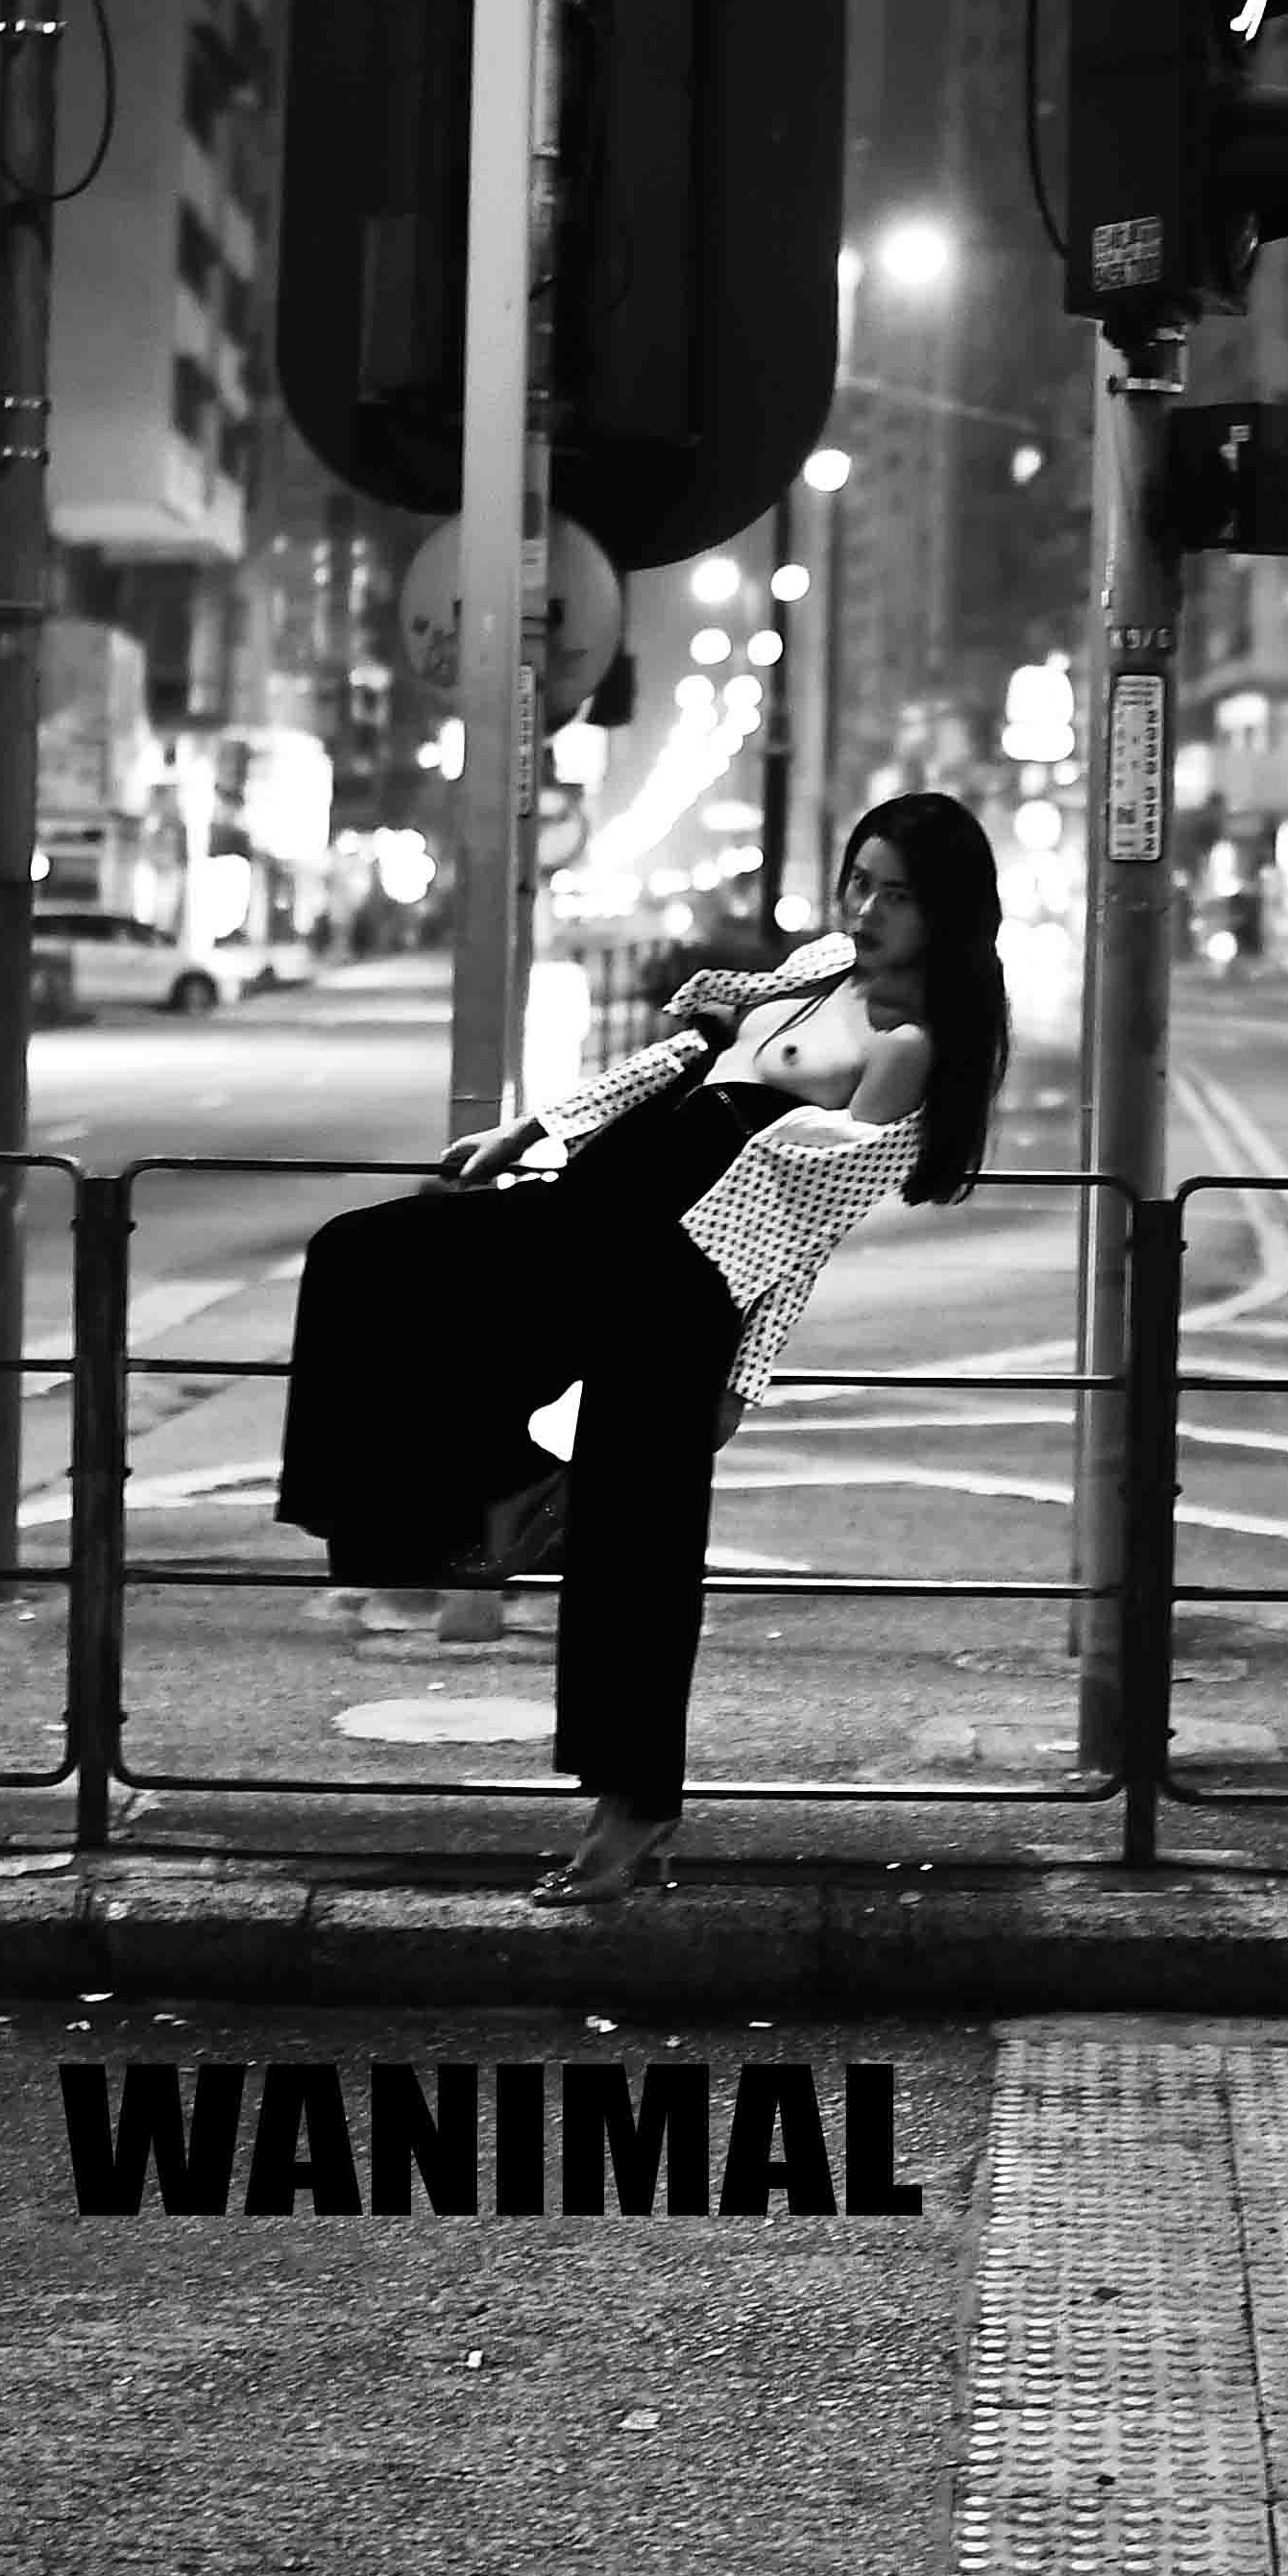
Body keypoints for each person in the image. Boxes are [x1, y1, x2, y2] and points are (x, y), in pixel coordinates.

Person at [271, 793, 1009, 1908]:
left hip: (683, 1274)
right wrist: (533, 1128)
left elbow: (803, 1226)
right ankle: (495, 1499)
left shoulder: (906, 1046)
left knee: (639, 1556)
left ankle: (631, 1812)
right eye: (860, 880)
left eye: (897, 894)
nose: (867, 908)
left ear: (944, 911)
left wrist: (743, 1375)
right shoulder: (817, 967)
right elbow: (676, 1059)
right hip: (601, 1207)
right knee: (364, 1256)